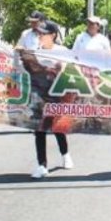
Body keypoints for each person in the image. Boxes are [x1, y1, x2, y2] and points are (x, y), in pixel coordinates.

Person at [31, 20, 74, 179]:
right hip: (39, 96)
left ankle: (65, 154)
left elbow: (68, 70)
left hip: (57, 95)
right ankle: (41, 165)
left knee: (57, 128)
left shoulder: (62, 51)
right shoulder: (35, 51)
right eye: (39, 33)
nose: (40, 36)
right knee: (39, 129)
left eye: (44, 33)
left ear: (53, 35)